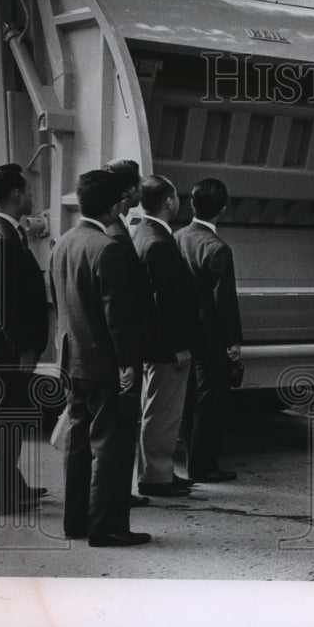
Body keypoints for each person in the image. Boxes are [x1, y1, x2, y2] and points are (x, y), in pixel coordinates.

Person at [50, 169, 149, 547]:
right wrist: (127, 364)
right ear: (112, 207)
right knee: (111, 445)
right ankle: (106, 527)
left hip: (73, 358)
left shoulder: (63, 243)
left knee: (79, 443)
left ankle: (76, 520)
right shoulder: (107, 248)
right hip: (105, 363)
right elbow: (118, 319)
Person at [0, 164, 49, 517]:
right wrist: (25, 349)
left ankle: (11, 485)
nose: (33, 196)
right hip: (5, 348)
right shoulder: (3, 238)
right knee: (8, 419)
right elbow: (7, 306)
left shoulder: (0, 232)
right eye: (29, 190)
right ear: (16, 194)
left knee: (11, 417)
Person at [132, 176, 198, 498]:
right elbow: (166, 302)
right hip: (165, 347)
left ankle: (158, 470)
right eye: (175, 196)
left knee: (155, 408)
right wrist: (178, 347)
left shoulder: (142, 233)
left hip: (153, 343)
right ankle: (156, 477)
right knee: (163, 412)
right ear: (169, 201)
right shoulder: (158, 242)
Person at [176, 178, 243, 483]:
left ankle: (188, 456)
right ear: (223, 211)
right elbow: (224, 301)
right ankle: (202, 466)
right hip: (209, 335)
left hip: (183, 329)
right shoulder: (218, 249)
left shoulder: (176, 238)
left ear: (192, 205)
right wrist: (233, 341)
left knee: (189, 397)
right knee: (210, 399)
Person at [102, 159, 155, 506]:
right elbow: (117, 304)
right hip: (121, 349)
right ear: (127, 192)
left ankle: (119, 489)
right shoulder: (115, 234)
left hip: (121, 347)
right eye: (138, 185)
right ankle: (117, 493)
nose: (141, 190)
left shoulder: (118, 228)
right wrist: (126, 360)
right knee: (120, 425)